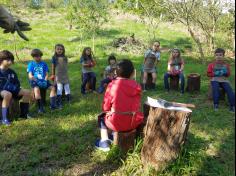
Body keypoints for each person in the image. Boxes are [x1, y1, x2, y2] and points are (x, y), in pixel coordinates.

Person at [95, 59, 144, 152]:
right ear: (133, 73)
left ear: (115, 72)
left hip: (116, 123)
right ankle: (114, 135)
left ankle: (104, 141)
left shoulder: (111, 85)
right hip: (134, 122)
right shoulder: (137, 86)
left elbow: (105, 107)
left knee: (102, 117)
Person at [0, 50, 32, 125]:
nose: (10, 62)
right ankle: (4, 119)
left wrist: (17, 88)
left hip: (12, 90)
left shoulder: (12, 72)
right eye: (8, 60)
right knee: (7, 94)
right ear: (1, 60)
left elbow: (16, 83)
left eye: (11, 60)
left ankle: (24, 114)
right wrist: (9, 88)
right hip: (2, 91)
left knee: (27, 92)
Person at [27, 49, 57, 113]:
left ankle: (53, 106)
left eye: (40, 56)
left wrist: (45, 80)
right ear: (33, 57)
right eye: (37, 56)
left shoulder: (44, 64)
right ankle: (40, 108)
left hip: (43, 80)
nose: (39, 58)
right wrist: (35, 80)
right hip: (35, 81)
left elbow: (46, 74)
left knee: (53, 88)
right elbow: (30, 75)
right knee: (36, 90)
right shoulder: (31, 64)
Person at [207, 48, 235, 112]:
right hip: (214, 79)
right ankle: (216, 104)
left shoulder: (226, 65)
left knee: (230, 90)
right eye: (217, 55)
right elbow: (208, 74)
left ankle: (232, 106)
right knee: (216, 89)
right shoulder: (211, 65)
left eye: (220, 55)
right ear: (215, 56)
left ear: (223, 56)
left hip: (224, 80)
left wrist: (226, 72)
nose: (218, 56)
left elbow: (228, 74)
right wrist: (214, 74)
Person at [50, 44, 71, 108]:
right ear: (55, 50)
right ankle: (59, 101)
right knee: (59, 88)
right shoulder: (54, 58)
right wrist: (53, 74)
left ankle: (68, 99)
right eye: (58, 49)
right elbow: (53, 67)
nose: (59, 50)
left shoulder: (65, 57)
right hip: (58, 75)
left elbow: (65, 66)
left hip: (65, 75)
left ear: (63, 50)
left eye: (61, 49)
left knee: (67, 87)